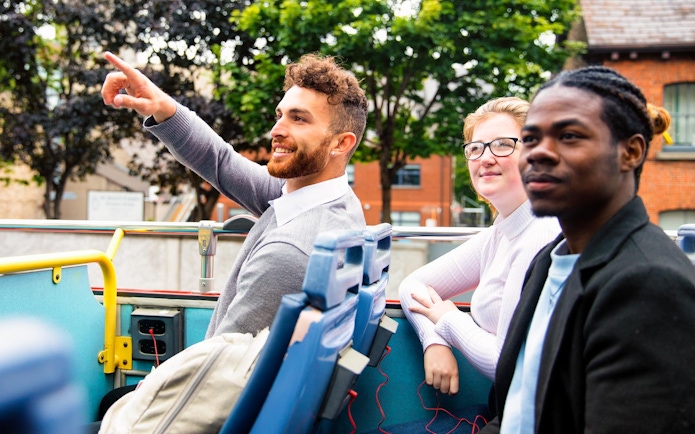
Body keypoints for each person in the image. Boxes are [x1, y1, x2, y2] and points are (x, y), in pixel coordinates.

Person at [482, 66, 695, 434]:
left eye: (569, 136)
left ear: (630, 152)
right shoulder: (549, 261)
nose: (539, 153)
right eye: (530, 139)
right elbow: (514, 411)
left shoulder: (648, 284)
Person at [101, 51, 368, 338]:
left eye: (299, 119)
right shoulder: (330, 202)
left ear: (341, 143)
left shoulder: (289, 254)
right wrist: (161, 105)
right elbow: (221, 162)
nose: (276, 130)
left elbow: (219, 366)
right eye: (279, 116)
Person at [399, 97, 561, 396]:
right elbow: (413, 285)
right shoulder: (501, 234)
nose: (485, 158)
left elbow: (508, 364)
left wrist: (448, 320)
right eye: (476, 148)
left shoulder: (542, 235)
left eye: (502, 145)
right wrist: (433, 340)